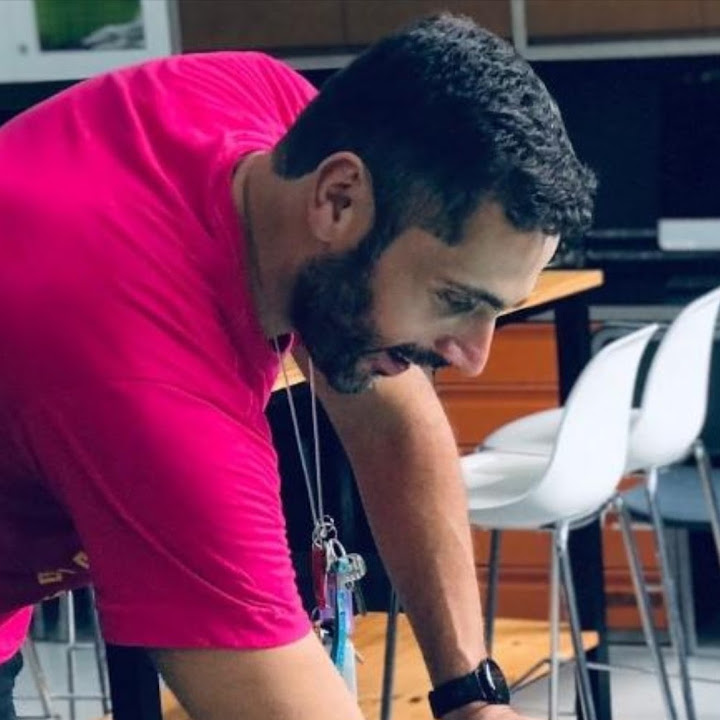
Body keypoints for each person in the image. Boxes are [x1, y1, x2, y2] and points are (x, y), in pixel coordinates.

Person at [0, 13, 595, 720]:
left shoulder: (274, 118)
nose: (472, 356)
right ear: (338, 200)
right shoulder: (153, 389)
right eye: (455, 299)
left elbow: (392, 425)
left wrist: (470, 694)